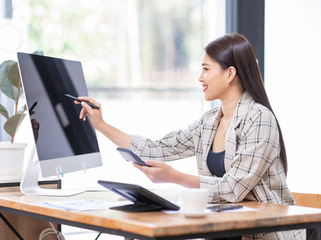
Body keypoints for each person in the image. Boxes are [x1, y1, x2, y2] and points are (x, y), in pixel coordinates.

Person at [76, 33, 304, 240]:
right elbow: (157, 149)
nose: (200, 78)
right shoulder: (209, 121)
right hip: (225, 232)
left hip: (266, 235)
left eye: (206, 69)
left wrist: (174, 176)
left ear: (230, 73)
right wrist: (102, 125)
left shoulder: (259, 118)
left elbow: (233, 189)